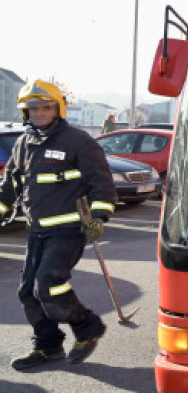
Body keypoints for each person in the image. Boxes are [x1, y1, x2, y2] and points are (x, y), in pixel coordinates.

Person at [1, 79, 117, 371]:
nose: (39, 113)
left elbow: (102, 184)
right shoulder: (23, 144)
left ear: (58, 108)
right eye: (33, 109)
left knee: (49, 286)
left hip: (68, 230)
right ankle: (48, 347)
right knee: (28, 293)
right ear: (26, 113)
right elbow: (10, 185)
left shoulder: (78, 141)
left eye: (46, 107)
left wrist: (99, 217)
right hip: (37, 231)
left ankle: (87, 327)